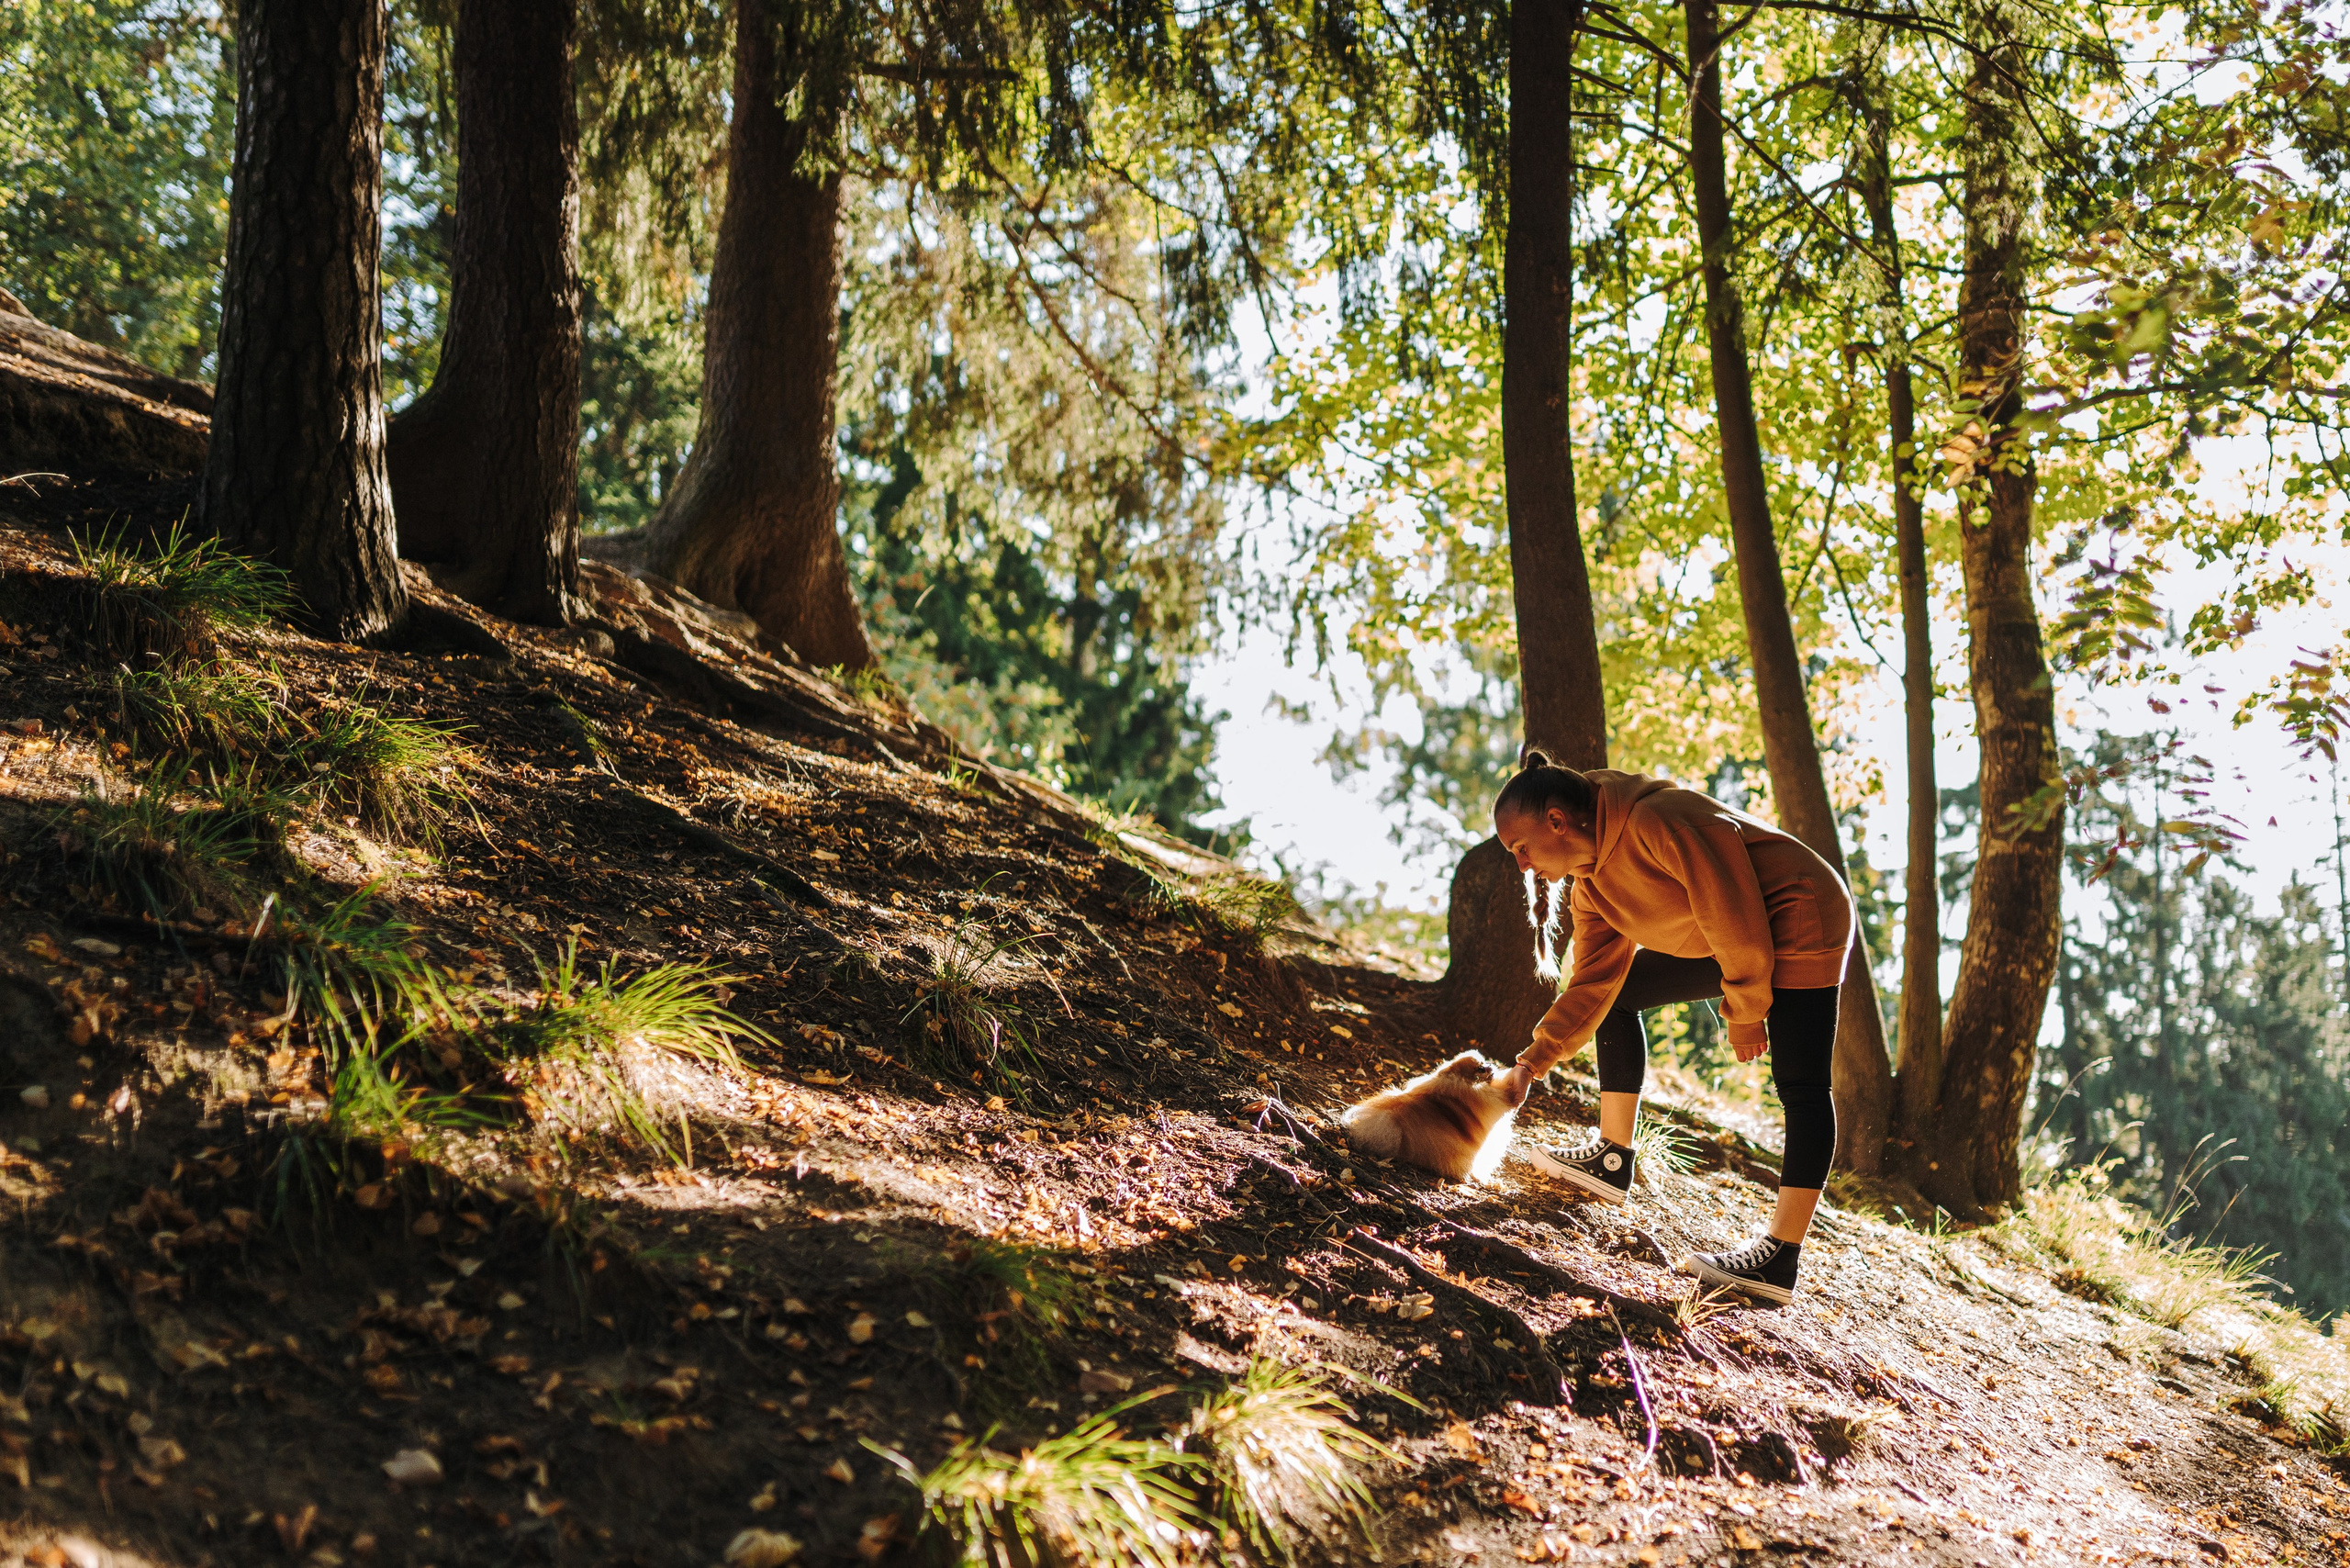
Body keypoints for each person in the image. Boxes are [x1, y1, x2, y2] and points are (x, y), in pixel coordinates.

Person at [1489, 751, 1852, 1305]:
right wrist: (1531, 1063)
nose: (1522, 865)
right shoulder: (1592, 885)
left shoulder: (1662, 821)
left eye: (1521, 848)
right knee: (1619, 993)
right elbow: (1591, 984)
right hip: (1731, 933)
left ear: (1557, 822)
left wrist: (1746, 1010)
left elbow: (1734, 913)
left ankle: (1781, 1257)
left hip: (1800, 912)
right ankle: (1612, 1158)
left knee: (1800, 1084)